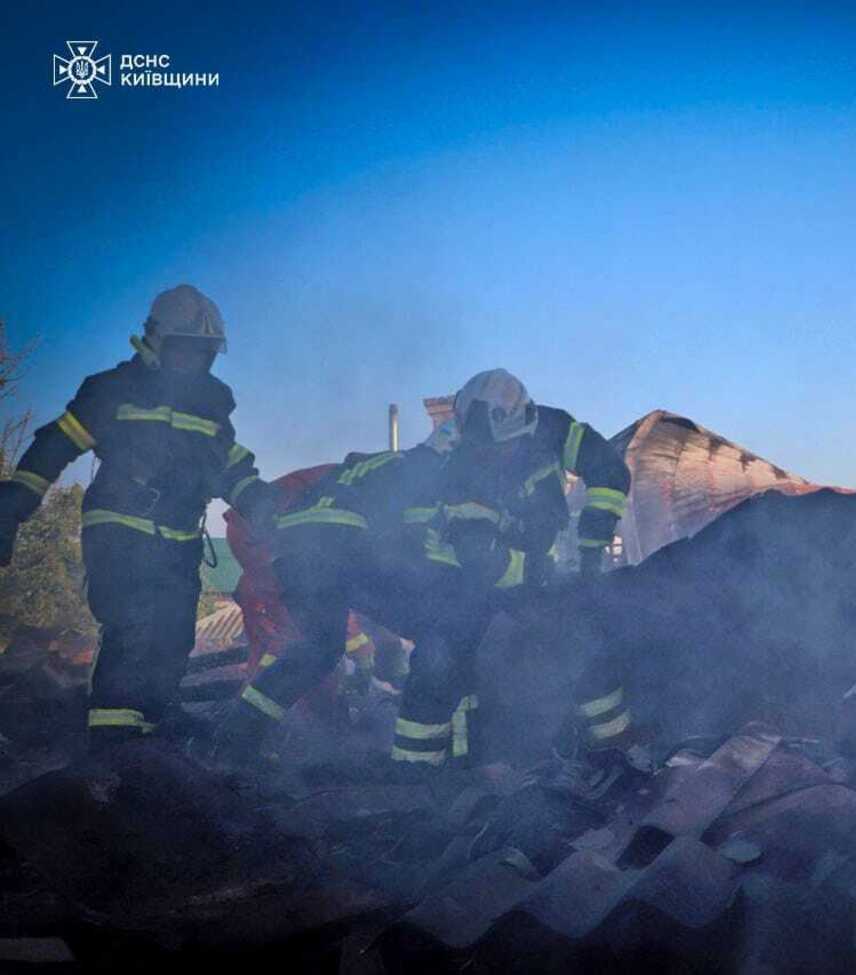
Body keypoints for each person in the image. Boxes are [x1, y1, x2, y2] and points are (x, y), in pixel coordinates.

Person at [216, 368, 634, 772]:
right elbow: (475, 560)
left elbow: (610, 471)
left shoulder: (550, 430)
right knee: (451, 636)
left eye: (498, 448)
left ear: (523, 427)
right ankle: (425, 767)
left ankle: (234, 739)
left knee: (322, 650)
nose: (491, 456)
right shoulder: (458, 468)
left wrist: (591, 548)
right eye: (480, 447)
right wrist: (542, 575)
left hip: (303, 551)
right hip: (337, 554)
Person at [0, 285, 276, 748]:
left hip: (179, 541)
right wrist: (13, 505)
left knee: (173, 638)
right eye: (183, 349)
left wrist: (267, 508)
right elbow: (55, 444)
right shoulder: (113, 390)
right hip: (120, 530)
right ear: (156, 341)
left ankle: (154, 728)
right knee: (132, 630)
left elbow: (231, 467)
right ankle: (112, 755)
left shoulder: (212, 404)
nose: (191, 360)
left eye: (201, 353)